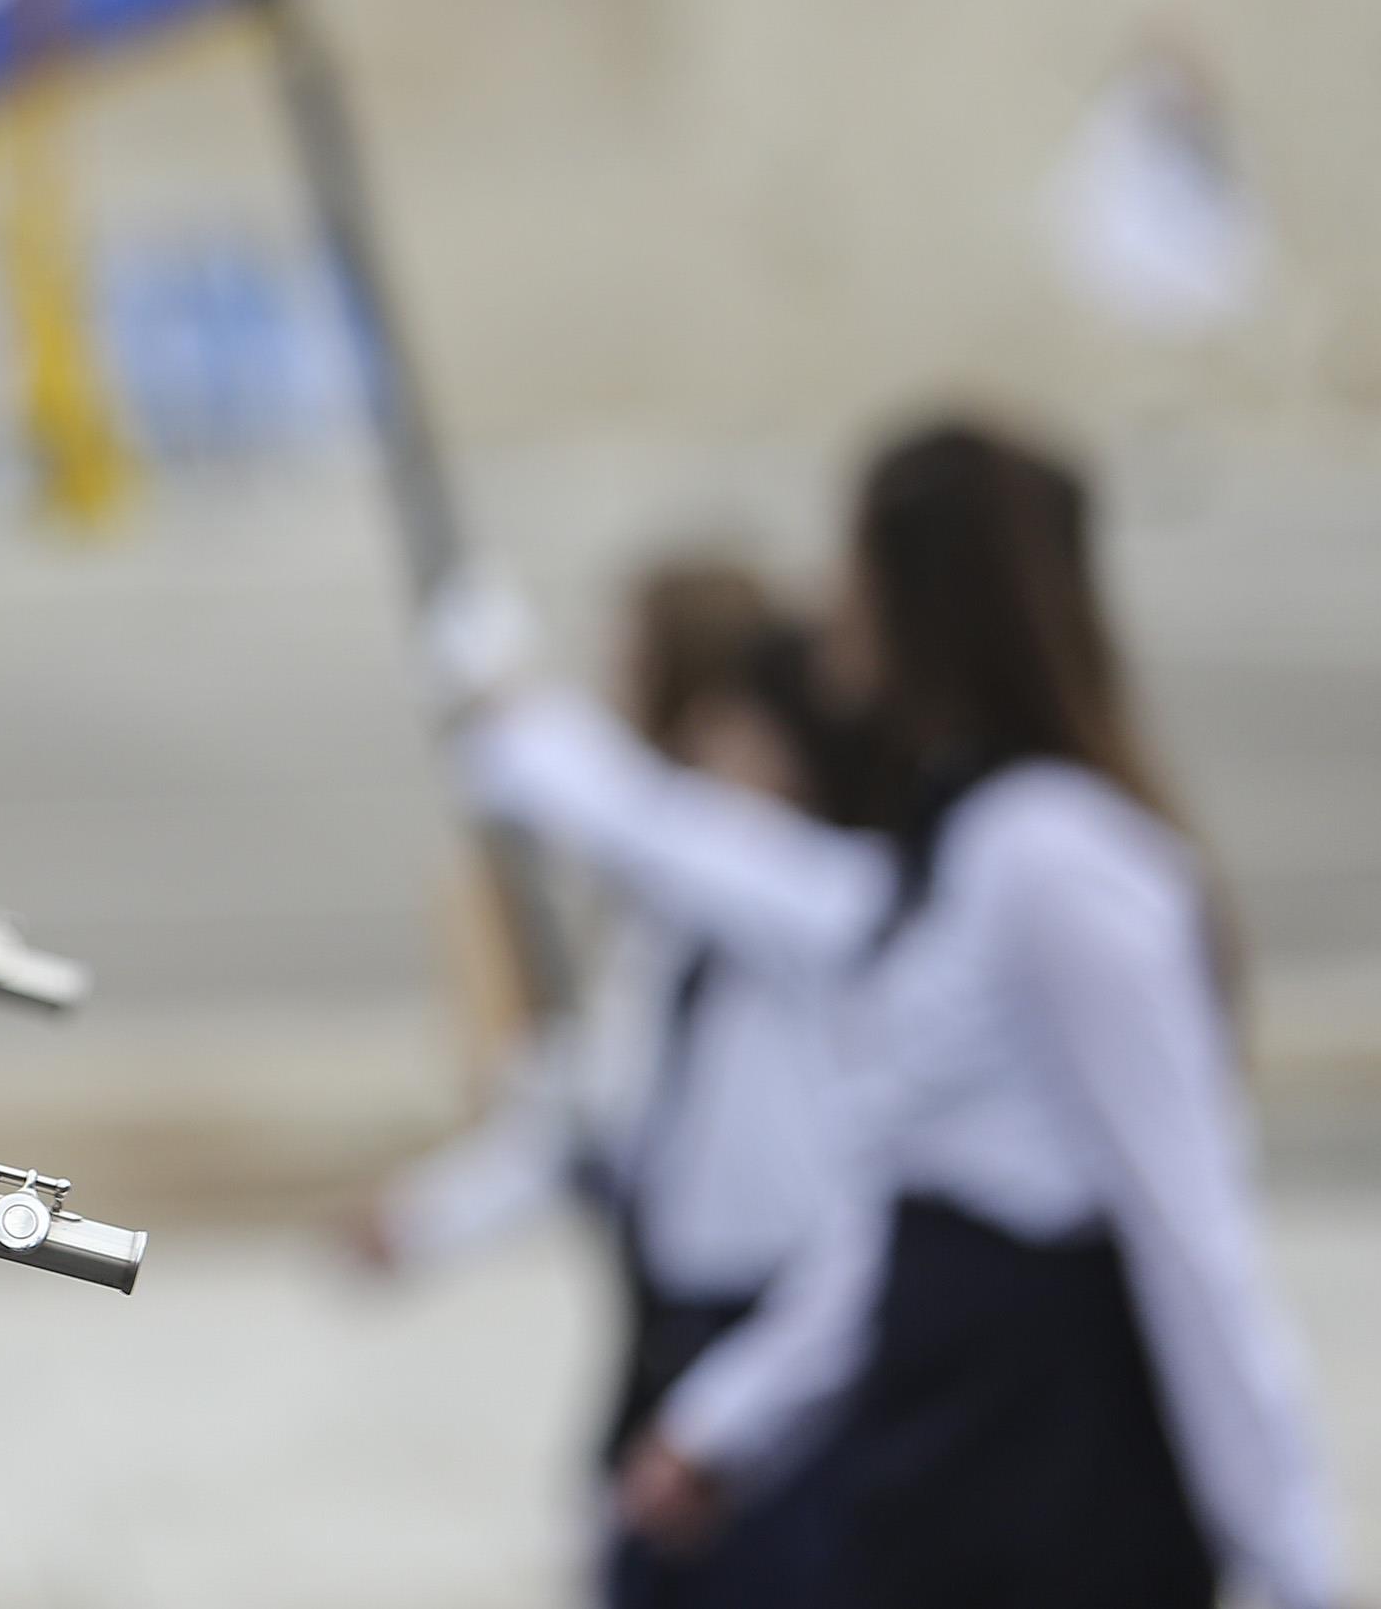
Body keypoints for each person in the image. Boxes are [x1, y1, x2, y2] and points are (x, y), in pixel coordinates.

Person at [447, 421, 1347, 1609]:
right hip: (935, 1475)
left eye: (854, 563)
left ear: (924, 596)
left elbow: (1187, 1226)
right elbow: (907, 1210)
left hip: (1047, 1483)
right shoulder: (959, 850)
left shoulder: (1055, 859)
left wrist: (1292, 1557)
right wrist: (732, 1417)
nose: (830, 604)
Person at [361, 558, 854, 1609]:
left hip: (785, 1341)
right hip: (669, 1328)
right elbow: (599, 1114)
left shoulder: (816, 898)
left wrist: (507, 700)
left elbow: (636, 820)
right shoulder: (678, 917)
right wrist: (428, 1218)